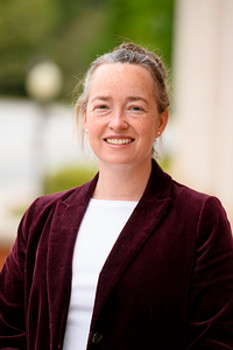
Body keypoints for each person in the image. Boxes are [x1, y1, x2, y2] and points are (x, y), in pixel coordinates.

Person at [0, 43, 233, 350]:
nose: (117, 122)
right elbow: (7, 328)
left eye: (135, 107)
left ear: (161, 121)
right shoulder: (42, 216)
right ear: (84, 117)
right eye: (102, 106)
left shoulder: (199, 218)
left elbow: (216, 339)